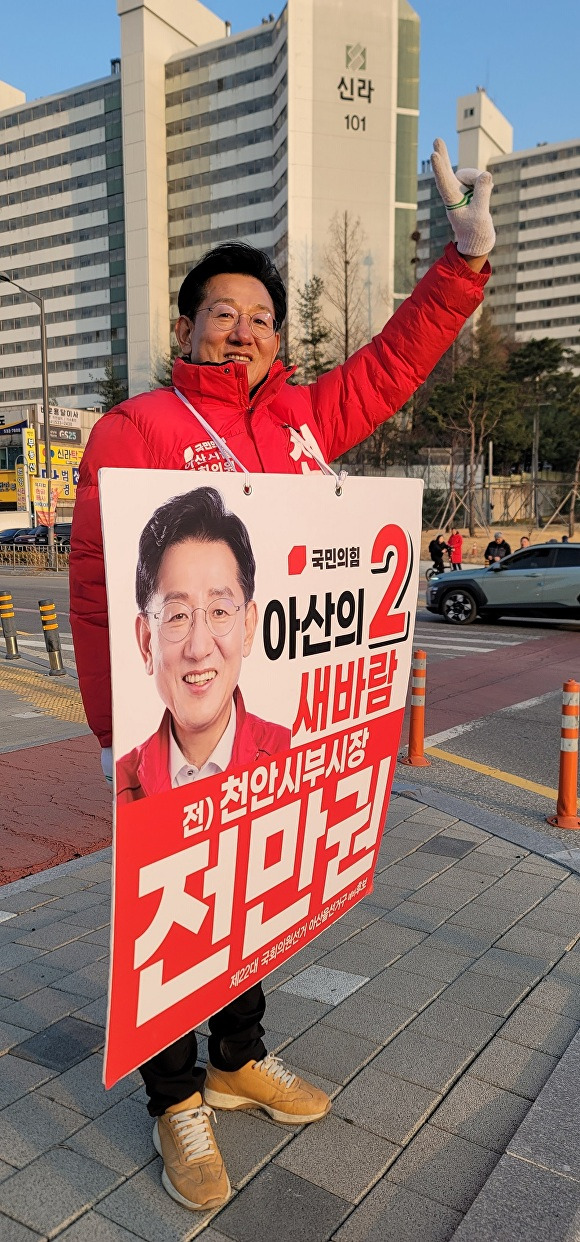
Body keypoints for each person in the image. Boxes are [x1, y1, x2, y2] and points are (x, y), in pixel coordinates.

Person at [70, 136, 495, 1212]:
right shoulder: (138, 428)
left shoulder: (303, 419)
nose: (245, 329)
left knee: (258, 892)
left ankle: (237, 1054)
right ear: (186, 328)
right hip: (172, 725)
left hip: (269, 723)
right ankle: (175, 1097)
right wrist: (113, 716)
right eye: (224, 312)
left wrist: (461, 263)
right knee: (179, 901)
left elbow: (394, 365)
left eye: (261, 316)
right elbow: (93, 581)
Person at [116, 486, 290, 804]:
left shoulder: (292, 759)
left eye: (220, 611)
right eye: (177, 616)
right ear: (146, 642)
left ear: (248, 627)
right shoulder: (123, 786)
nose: (198, 648)